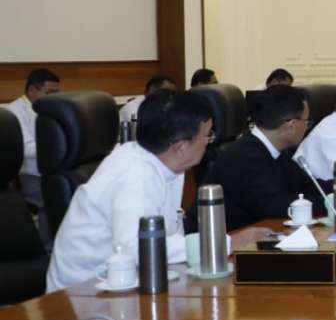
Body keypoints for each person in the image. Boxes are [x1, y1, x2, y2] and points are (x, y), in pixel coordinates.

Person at [45, 88, 213, 291]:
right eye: (207, 136)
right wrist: (216, 244)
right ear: (181, 147)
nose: (209, 142)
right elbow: (139, 249)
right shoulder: (134, 175)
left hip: (129, 282)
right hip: (83, 293)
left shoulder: (166, 163)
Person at [206, 84, 324, 230]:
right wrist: (328, 202)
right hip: (231, 240)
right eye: (306, 121)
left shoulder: (279, 152)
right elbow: (273, 207)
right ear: (291, 125)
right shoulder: (244, 156)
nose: (307, 127)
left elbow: (309, 186)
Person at [5, 67, 59, 220]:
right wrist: (56, 146)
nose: (54, 98)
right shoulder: (14, 111)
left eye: (56, 93)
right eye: (49, 93)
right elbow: (26, 148)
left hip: (52, 170)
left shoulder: (49, 108)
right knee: (53, 202)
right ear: (31, 90)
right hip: (30, 174)